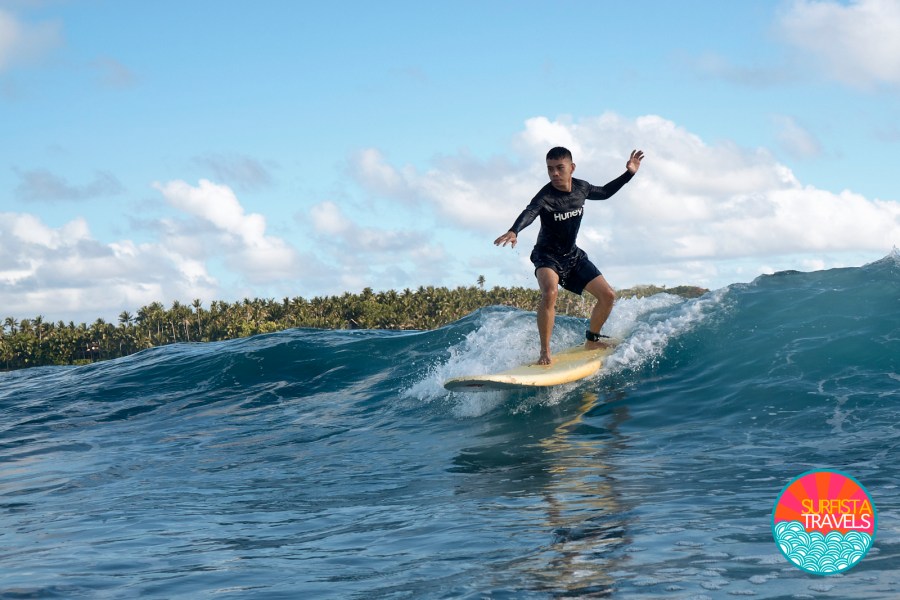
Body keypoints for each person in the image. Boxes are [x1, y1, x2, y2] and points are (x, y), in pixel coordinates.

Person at [494, 146, 644, 365]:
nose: (554, 173)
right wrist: (514, 230)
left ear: (572, 168)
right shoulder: (546, 196)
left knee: (608, 295)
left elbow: (604, 192)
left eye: (559, 168)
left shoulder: (581, 188)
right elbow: (530, 211)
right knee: (550, 292)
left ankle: (592, 340)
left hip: (572, 256)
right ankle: (545, 352)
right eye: (550, 169)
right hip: (546, 257)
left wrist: (628, 174)